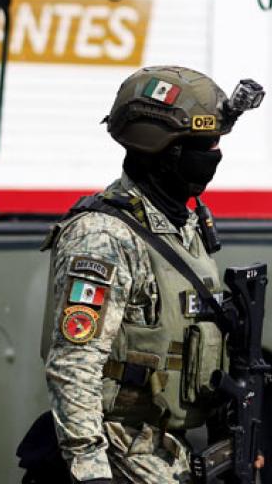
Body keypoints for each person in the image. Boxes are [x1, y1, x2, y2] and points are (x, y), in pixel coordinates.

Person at [37, 66, 263, 484]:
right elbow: (74, 363)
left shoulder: (183, 226)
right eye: (203, 143)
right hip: (123, 453)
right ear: (164, 149)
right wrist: (90, 470)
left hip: (172, 451)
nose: (214, 154)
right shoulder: (103, 235)